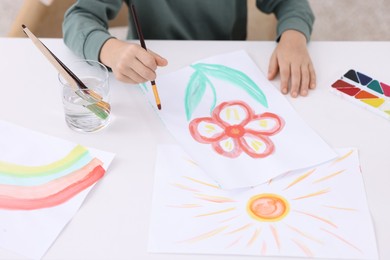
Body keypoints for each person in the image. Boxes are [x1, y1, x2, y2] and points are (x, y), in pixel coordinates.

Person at [63, 0, 316, 97]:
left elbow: (293, 4)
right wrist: (109, 50)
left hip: (225, 71)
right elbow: (78, 17)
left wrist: (293, 37)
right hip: (146, 75)